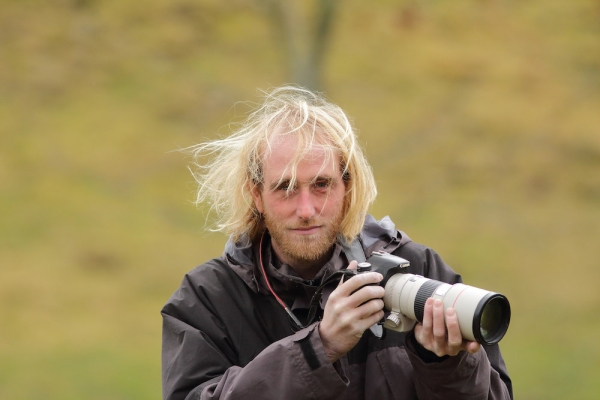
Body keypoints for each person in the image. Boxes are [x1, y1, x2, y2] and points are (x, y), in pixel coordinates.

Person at [161, 86, 513, 400]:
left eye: (321, 185)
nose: (306, 210)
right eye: (285, 188)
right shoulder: (207, 298)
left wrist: (446, 364)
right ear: (256, 194)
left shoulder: (421, 270)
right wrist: (318, 348)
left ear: (347, 188)